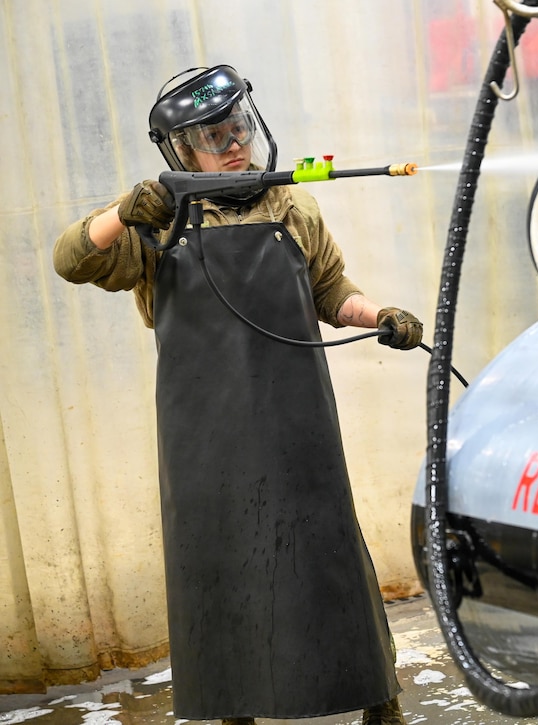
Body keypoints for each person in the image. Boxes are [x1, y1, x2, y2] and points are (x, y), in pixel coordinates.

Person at [53, 65, 421, 725]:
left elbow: (331, 291)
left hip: (296, 420)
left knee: (329, 557)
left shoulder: (292, 206)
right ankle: (233, 711)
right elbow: (69, 259)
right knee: (218, 566)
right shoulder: (157, 225)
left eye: (237, 127)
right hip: (204, 436)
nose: (232, 143)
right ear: (181, 150)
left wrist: (382, 317)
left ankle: (379, 699)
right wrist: (121, 212)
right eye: (212, 136)